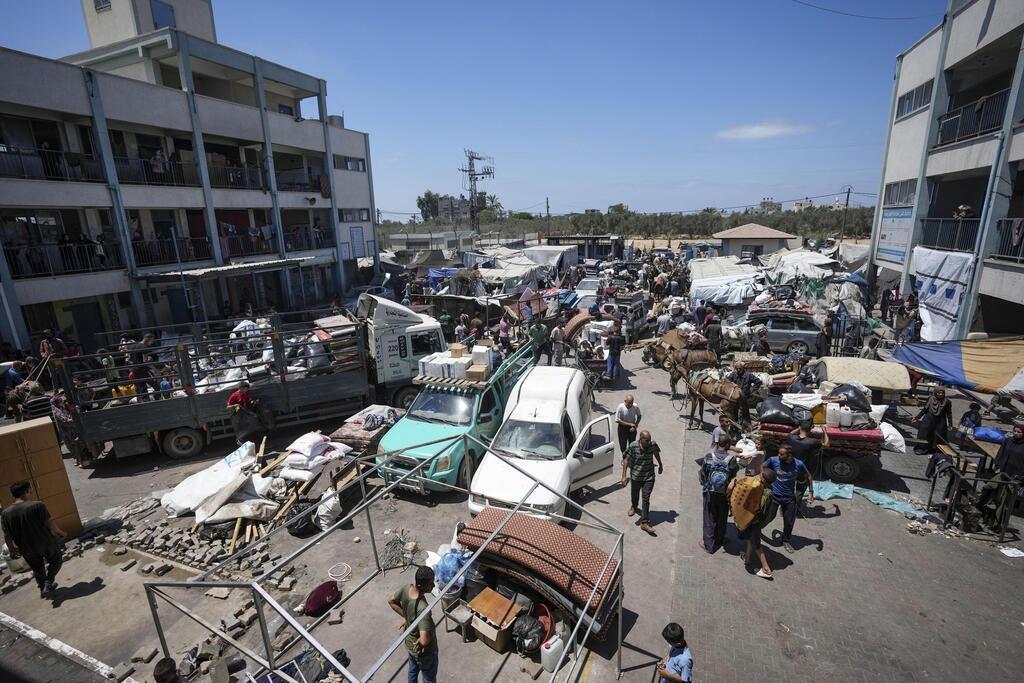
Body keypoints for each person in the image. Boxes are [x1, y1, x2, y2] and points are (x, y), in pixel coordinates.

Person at [1, 481, 66, 599]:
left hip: (25, 547)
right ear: (27, 491)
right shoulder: (37, 505)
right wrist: (60, 533)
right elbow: (49, 523)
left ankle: (44, 589)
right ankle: (48, 583)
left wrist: (12, 550)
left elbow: (7, 535)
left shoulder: (5, 513)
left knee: (37, 568)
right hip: (45, 542)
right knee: (56, 560)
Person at [387, 565, 438, 683]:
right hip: (425, 653)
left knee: (412, 671)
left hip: (410, 645)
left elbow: (391, 601)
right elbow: (424, 640)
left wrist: (407, 617)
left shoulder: (406, 588)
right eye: (431, 583)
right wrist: (424, 639)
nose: (434, 585)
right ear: (420, 585)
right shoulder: (422, 608)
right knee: (428, 678)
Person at [762, 444, 815, 553]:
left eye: (782, 454)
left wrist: (811, 492)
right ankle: (756, 530)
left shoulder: (799, 464)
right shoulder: (773, 460)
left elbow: (808, 476)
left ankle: (786, 540)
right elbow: (762, 466)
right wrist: (764, 480)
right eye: (779, 453)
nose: (779, 456)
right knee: (769, 516)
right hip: (775, 495)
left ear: (789, 455)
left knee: (789, 521)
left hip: (789, 497)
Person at [729, 467, 778, 579]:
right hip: (756, 521)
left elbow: (758, 508)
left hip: (754, 521)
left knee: (756, 544)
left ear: (764, 479)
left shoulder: (764, 492)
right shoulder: (768, 490)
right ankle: (747, 558)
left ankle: (766, 569)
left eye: (761, 475)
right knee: (751, 540)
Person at [698, 434, 739, 553]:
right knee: (722, 516)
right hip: (724, 493)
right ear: (727, 445)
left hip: (710, 491)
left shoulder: (709, 456)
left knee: (709, 517)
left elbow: (703, 472)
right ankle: (720, 539)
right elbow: (733, 474)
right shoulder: (731, 459)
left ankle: (709, 545)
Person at [620, 430, 662, 535]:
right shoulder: (633, 446)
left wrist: (660, 465)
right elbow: (626, 459)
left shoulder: (652, 444)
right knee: (635, 494)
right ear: (641, 438)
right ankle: (634, 506)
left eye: (649, 440)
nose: (649, 442)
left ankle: (644, 522)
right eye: (647, 440)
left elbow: (656, 453)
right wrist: (624, 475)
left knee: (646, 498)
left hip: (649, 476)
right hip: (636, 476)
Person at [913, 387, 952, 454]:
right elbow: (925, 409)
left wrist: (950, 424)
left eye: (942, 393)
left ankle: (935, 450)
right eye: (939, 393)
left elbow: (949, 413)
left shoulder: (947, 401)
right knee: (924, 433)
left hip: (940, 421)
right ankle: (922, 448)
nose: (940, 394)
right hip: (929, 418)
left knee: (938, 436)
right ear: (935, 392)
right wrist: (917, 417)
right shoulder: (930, 399)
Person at [727, 361, 761, 428]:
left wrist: (752, 390)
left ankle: (744, 425)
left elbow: (758, 382)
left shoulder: (748, 375)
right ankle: (735, 426)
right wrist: (732, 385)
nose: (739, 370)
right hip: (735, 397)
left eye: (740, 368)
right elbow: (727, 381)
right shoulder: (733, 374)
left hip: (744, 397)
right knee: (734, 411)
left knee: (743, 413)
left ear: (743, 368)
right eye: (737, 369)